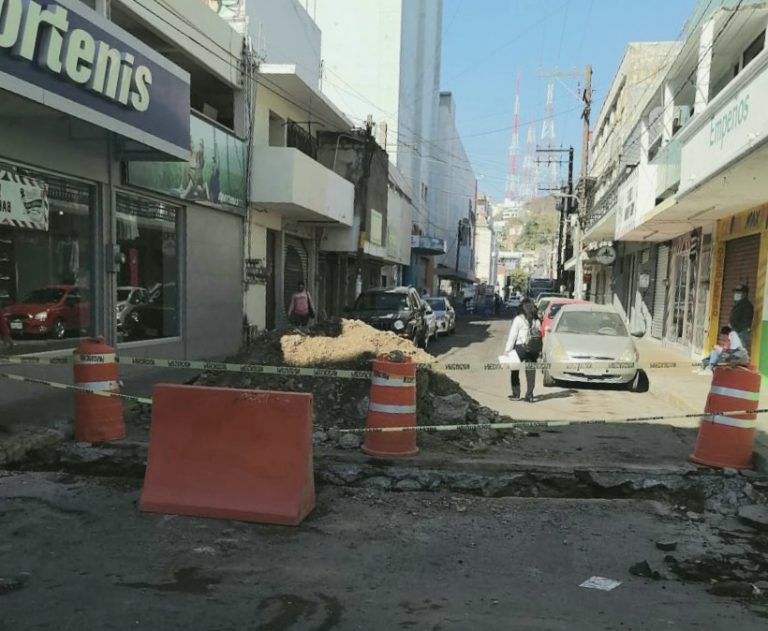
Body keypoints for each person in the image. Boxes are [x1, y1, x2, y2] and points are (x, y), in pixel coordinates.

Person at [503, 297, 542, 402]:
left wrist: (507, 350)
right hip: (533, 348)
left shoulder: (518, 319)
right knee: (531, 371)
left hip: (520, 348)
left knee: (514, 369)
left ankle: (516, 394)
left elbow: (512, 336)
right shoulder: (537, 321)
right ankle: (529, 395)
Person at [729, 284, 754, 351]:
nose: (736, 294)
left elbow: (746, 322)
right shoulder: (738, 304)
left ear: (745, 294)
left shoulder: (747, 305)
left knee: (740, 352)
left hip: (741, 333)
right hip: (736, 331)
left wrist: (737, 330)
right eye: (736, 292)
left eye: (739, 292)